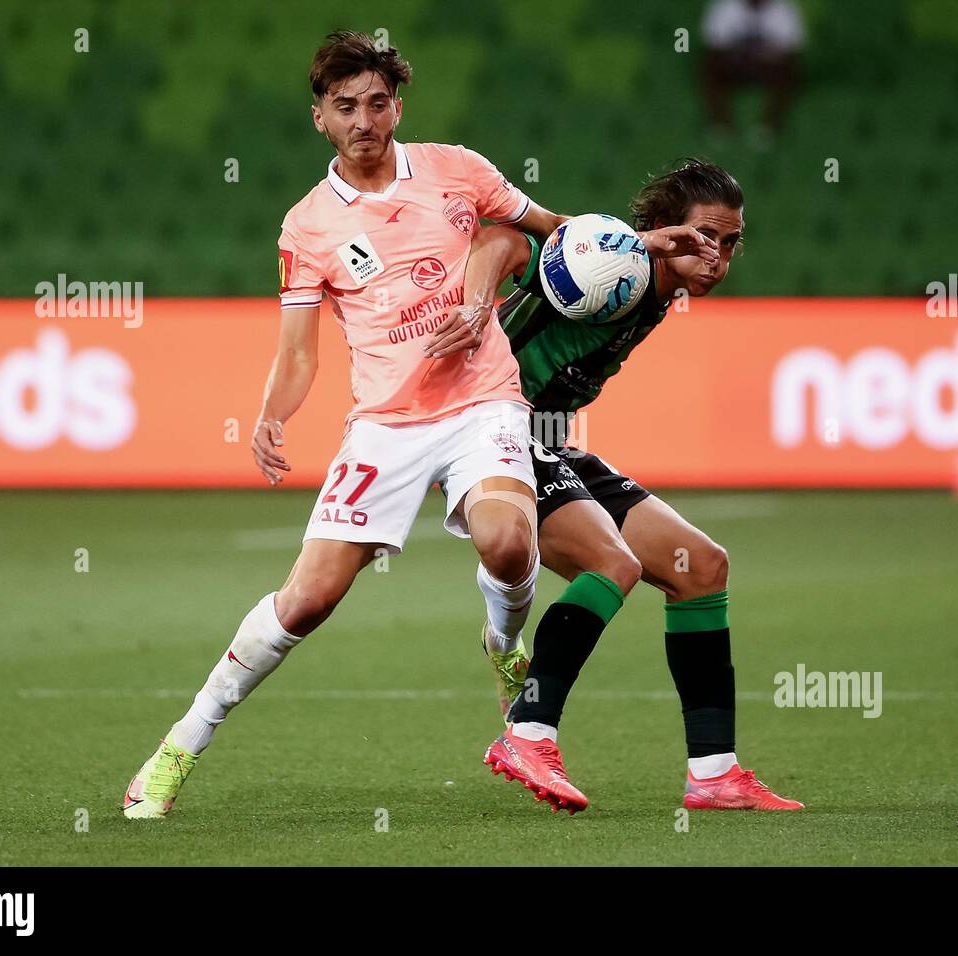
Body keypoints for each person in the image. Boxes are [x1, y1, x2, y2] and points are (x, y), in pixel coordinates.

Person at [121, 31, 716, 819]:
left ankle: (504, 649)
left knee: (509, 541)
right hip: (386, 424)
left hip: (484, 403)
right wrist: (271, 412)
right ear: (319, 120)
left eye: (376, 103)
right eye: (345, 107)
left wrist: (636, 244)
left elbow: (548, 235)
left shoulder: (456, 170)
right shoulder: (307, 227)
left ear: (396, 106)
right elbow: (297, 353)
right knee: (306, 602)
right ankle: (177, 748)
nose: (363, 119)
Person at [463, 159, 805, 813]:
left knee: (700, 566)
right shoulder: (611, 264)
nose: (718, 256)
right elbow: (502, 241)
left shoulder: (658, 291)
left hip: (547, 440)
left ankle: (714, 773)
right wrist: (476, 306)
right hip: (489, 432)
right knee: (610, 562)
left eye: (730, 242)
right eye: (705, 236)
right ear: (659, 231)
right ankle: (528, 732)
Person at [700, 0, 806, 145]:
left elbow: (792, 52)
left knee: (789, 72)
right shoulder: (725, 7)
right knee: (710, 68)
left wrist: (764, 57)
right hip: (735, 65)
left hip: (768, 67)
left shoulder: (784, 10)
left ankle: (770, 124)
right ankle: (720, 122)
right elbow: (714, 48)